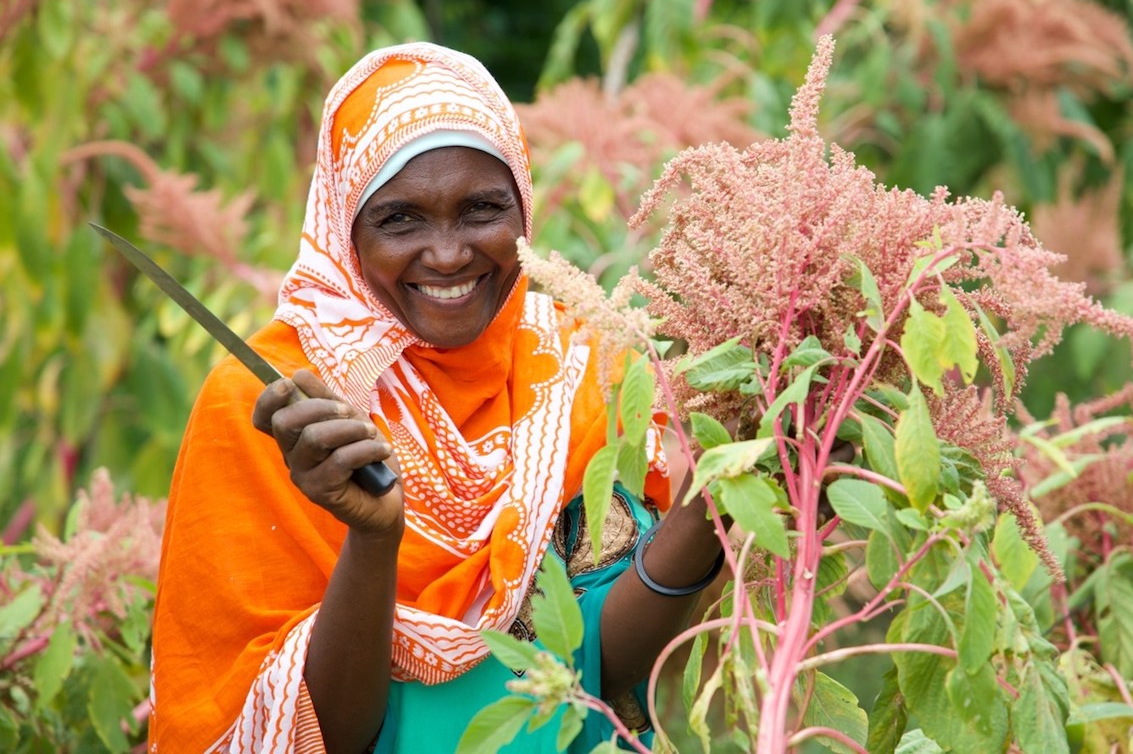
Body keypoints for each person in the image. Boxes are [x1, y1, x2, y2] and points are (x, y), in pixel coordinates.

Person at [148, 42, 726, 753]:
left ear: (523, 205)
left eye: (482, 208)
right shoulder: (276, 403)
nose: (449, 254)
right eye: (400, 219)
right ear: (342, 229)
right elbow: (303, 732)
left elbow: (597, 672)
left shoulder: (583, 366)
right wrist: (373, 539)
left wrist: (715, 502)